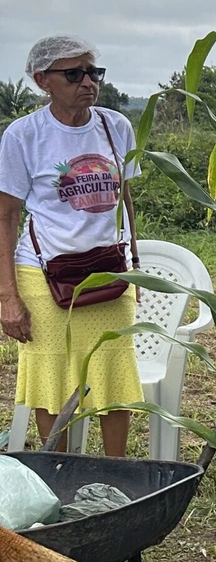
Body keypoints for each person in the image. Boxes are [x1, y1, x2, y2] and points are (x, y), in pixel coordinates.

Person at [0, 35, 143, 456]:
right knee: (53, 378)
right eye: (73, 73)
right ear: (43, 80)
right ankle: (60, 475)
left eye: (93, 72)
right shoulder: (24, 136)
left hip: (108, 272)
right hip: (44, 274)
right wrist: (7, 295)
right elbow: (6, 216)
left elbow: (126, 199)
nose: (87, 82)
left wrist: (135, 262)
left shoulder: (116, 127)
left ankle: (117, 474)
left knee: (113, 373)